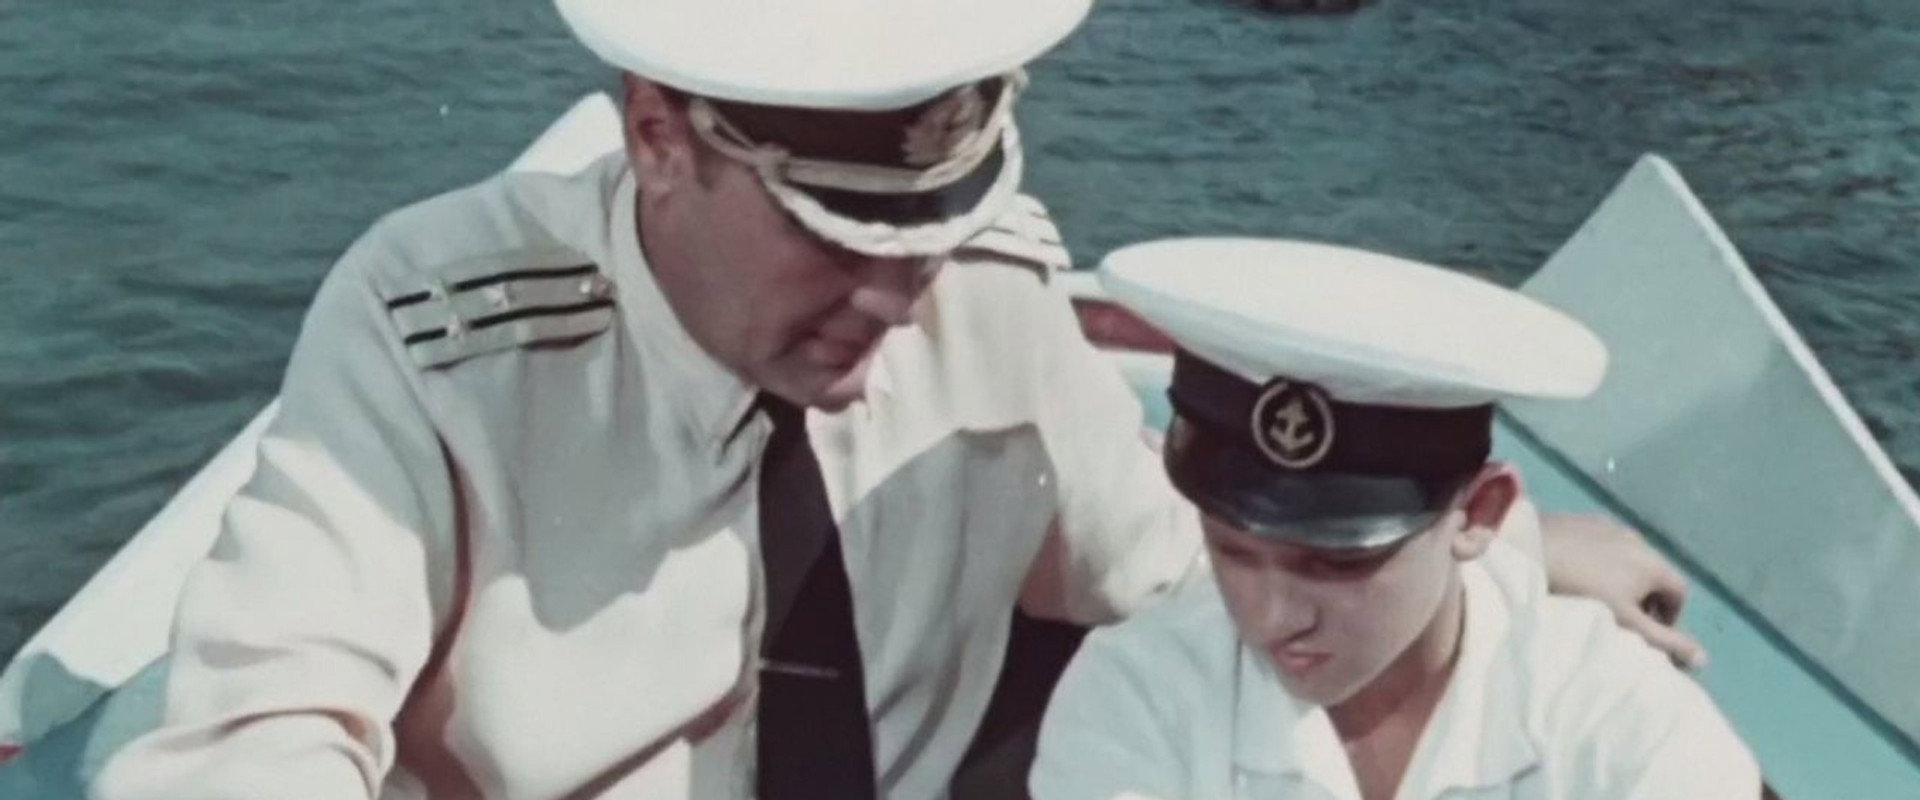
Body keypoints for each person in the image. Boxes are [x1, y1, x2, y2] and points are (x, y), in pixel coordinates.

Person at [88, 1, 1703, 798]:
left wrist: (1496, 558)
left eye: (929, 231)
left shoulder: (985, 290)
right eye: (833, 231)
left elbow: (1164, 566)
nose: (898, 295)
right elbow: (254, 738)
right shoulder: (438, 329)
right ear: (657, 131)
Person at [1029, 238, 1762, 800]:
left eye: (1337, 563)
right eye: (1233, 552)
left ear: (1480, 513)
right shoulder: (1138, 693)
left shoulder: (1615, 720)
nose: (1275, 615)